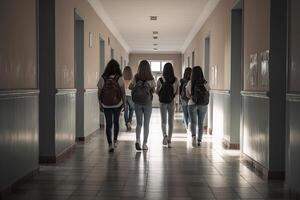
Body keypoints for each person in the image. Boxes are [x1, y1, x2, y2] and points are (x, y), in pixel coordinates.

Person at [97, 59, 126, 152]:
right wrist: (124, 104)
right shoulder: (119, 78)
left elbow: (99, 92)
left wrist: (100, 104)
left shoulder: (103, 78)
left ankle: (110, 144)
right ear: (117, 68)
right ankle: (115, 140)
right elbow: (123, 93)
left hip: (106, 105)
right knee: (116, 122)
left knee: (108, 124)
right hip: (117, 104)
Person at [129, 60, 156, 151]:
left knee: (139, 123)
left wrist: (137, 86)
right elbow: (153, 91)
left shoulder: (136, 77)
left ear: (139, 67)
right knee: (146, 123)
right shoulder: (151, 78)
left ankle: (137, 140)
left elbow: (130, 87)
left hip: (137, 102)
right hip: (148, 103)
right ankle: (144, 144)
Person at [156, 63, 179, 148]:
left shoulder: (160, 80)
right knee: (171, 121)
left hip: (162, 102)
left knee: (163, 121)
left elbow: (157, 91)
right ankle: (169, 139)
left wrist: (161, 95)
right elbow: (177, 92)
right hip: (171, 101)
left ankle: (164, 135)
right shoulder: (175, 80)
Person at [186, 66, 210, 147]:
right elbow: (208, 93)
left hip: (192, 104)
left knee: (193, 122)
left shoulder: (190, 83)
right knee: (201, 123)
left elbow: (187, 95)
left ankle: (193, 137)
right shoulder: (205, 83)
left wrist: (192, 96)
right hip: (203, 105)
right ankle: (199, 140)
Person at [123, 66, 134, 131]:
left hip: (124, 96)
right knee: (132, 109)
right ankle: (129, 122)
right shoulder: (132, 79)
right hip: (130, 96)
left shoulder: (122, 79)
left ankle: (127, 123)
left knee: (126, 111)